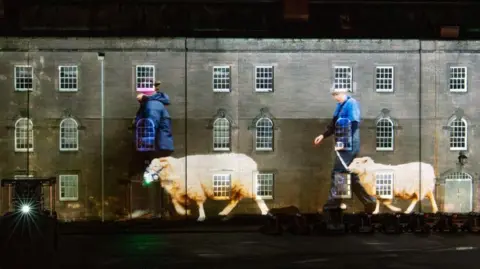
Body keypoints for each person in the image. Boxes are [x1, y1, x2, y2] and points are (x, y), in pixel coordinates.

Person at [313, 87, 376, 214]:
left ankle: (333, 205)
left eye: (337, 94)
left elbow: (353, 125)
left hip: (349, 145)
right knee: (350, 174)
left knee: (338, 172)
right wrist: (323, 135)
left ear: (344, 93)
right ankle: (369, 201)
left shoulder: (351, 104)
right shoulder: (340, 106)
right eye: (333, 95)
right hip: (344, 144)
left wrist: (344, 142)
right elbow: (333, 124)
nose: (335, 97)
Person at [133, 80, 174, 218]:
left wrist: (145, 147)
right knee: (157, 178)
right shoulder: (151, 104)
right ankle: (161, 210)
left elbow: (150, 126)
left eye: (140, 91)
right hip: (159, 146)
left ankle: (155, 211)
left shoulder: (152, 105)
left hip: (155, 147)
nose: (137, 94)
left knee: (151, 178)